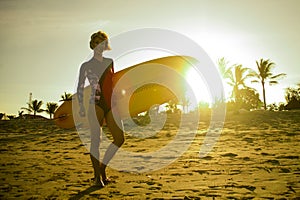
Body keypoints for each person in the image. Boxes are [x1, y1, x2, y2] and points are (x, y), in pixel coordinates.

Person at [77, 31, 124, 186]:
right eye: (97, 42)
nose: (100, 45)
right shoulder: (86, 66)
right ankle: (97, 177)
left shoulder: (110, 62)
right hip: (95, 104)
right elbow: (80, 87)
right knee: (96, 141)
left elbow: (112, 83)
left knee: (119, 138)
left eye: (103, 42)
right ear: (92, 45)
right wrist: (81, 108)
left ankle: (102, 168)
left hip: (111, 104)